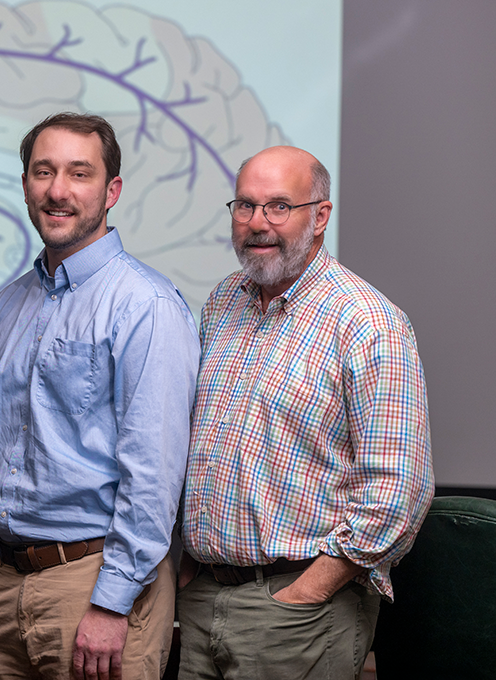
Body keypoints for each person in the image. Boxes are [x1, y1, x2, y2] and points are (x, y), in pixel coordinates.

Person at [177, 146, 434, 679]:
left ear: (320, 216)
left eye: (277, 207)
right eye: (244, 206)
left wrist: (305, 592)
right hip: (202, 602)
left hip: (297, 610)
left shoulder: (368, 322)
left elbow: (399, 489)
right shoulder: (224, 302)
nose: (256, 224)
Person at [0, 112, 200, 680]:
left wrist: (112, 599)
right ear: (25, 184)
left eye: (79, 173)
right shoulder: (8, 305)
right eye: (43, 172)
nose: (58, 190)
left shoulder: (144, 304)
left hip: (92, 585)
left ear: (111, 190)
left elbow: (155, 468)